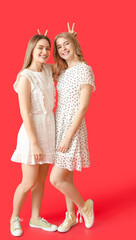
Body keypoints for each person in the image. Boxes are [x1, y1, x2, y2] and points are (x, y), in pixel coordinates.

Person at [10, 33, 57, 237]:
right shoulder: (25, 77)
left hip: (49, 128)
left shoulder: (48, 69)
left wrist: (71, 41)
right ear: (31, 49)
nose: (45, 52)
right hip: (32, 132)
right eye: (40, 48)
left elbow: (66, 63)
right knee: (28, 181)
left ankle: (35, 218)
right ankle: (14, 218)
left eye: (47, 48)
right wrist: (35, 143)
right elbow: (24, 112)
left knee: (41, 181)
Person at [50, 26, 96, 233]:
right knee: (67, 177)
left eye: (66, 43)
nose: (62, 49)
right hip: (59, 123)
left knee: (56, 179)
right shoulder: (62, 71)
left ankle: (84, 207)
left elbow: (83, 107)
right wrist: (68, 39)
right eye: (59, 47)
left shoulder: (85, 70)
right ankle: (71, 216)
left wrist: (68, 136)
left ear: (76, 45)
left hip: (73, 127)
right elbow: (40, 67)